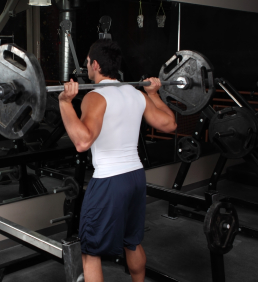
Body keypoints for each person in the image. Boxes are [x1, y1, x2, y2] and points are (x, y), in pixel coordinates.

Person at [58, 39, 177, 282]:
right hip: (135, 177)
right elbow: (170, 124)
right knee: (132, 242)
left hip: (109, 181)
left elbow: (82, 142)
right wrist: (153, 94)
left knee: (91, 251)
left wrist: (64, 103)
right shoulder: (135, 93)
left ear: (96, 65)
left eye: (88, 63)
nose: (87, 67)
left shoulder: (95, 97)